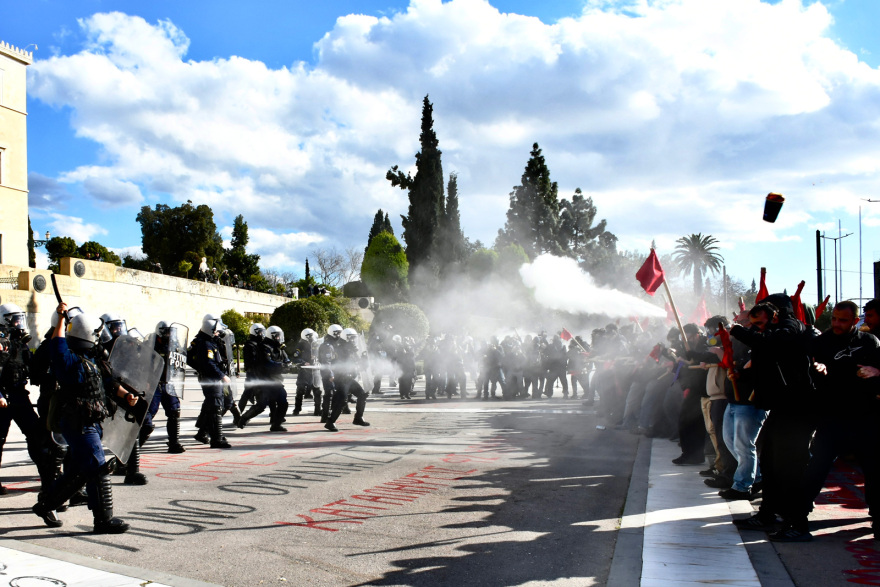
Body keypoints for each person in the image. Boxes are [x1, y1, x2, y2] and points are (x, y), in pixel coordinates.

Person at [33, 303, 136, 533]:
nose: (101, 339)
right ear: (88, 335)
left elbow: (109, 384)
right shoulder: (68, 361)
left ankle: (46, 504)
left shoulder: (92, 360)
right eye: (97, 335)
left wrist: (127, 395)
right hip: (78, 423)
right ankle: (103, 520)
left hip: (91, 422)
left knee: (78, 471)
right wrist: (61, 319)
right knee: (98, 467)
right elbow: (58, 346)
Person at [730, 295, 817, 539]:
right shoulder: (772, 335)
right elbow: (767, 367)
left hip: (797, 410)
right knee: (769, 462)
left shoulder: (790, 329)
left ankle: (797, 524)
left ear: (776, 314)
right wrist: (743, 376)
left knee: (791, 468)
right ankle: (768, 514)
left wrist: (739, 330)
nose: (757, 330)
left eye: (760, 323)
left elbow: (772, 344)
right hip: (781, 409)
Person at [793, 301, 880, 541]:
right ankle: (798, 520)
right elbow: (808, 367)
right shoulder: (821, 343)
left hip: (866, 417)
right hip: (832, 417)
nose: (837, 324)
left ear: (854, 321)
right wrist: (816, 367)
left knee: (873, 470)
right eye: (834, 319)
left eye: (843, 320)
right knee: (817, 468)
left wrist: (876, 371)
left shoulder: (869, 342)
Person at [0, 303, 54, 496]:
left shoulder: (21, 345)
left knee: (37, 436)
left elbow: (32, 369)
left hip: (19, 397)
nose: (18, 323)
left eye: (19, 318)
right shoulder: (2, 342)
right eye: (14, 319)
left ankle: (48, 480)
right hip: (3, 399)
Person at [99, 312, 147, 486]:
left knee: (133, 428)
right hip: (107, 393)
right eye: (114, 326)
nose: (118, 329)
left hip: (125, 391)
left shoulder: (128, 345)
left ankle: (130, 470)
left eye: (120, 325)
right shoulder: (101, 348)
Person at [190, 314, 232, 448]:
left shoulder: (212, 341)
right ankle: (216, 439)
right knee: (215, 407)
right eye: (215, 331)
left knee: (221, 404)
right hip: (211, 379)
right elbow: (209, 364)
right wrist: (222, 375)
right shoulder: (205, 344)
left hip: (218, 378)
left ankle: (203, 432)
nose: (217, 333)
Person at [145, 321, 187, 454]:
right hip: (154, 383)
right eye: (166, 331)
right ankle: (134, 446)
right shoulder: (150, 344)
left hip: (169, 382)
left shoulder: (175, 345)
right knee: (148, 414)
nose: (169, 334)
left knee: (174, 411)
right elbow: (143, 364)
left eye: (171, 331)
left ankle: (174, 443)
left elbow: (179, 361)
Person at [239, 326, 289, 431]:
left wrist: (289, 364)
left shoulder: (278, 347)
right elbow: (267, 363)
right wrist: (281, 366)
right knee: (262, 405)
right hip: (264, 380)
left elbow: (286, 359)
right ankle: (243, 418)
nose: (280, 338)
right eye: (278, 336)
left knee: (283, 402)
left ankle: (276, 425)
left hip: (275, 380)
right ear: (273, 336)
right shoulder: (263, 347)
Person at [324, 328, 369, 432]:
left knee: (362, 395)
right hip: (341, 378)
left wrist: (364, 358)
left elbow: (357, 363)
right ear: (345, 337)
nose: (353, 340)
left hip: (349, 378)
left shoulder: (352, 348)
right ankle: (330, 422)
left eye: (354, 338)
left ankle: (358, 418)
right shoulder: (339, 348)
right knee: (341, 400)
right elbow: (336, 362)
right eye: (351, 338)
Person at [292, 328, 321, 416]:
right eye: (310, 337)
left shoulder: (316, 344)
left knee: (317, 391)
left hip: (315, 370)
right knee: (300, 390)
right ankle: (297, 409)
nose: (312, 338)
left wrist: (318, 359)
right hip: (304, 371)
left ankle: (318, 410)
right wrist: (303, 362)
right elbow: (295, 357)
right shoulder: (300, 345)